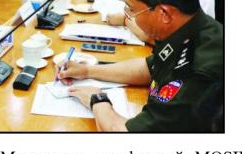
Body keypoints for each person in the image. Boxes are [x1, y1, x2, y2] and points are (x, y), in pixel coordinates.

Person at [59, 0, 223, 132]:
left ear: (164, 14)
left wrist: (97, 100)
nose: (130, 17)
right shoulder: (193, 28)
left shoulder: (198, 75)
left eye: (131, 10)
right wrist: (87, 70)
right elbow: (149, 67)